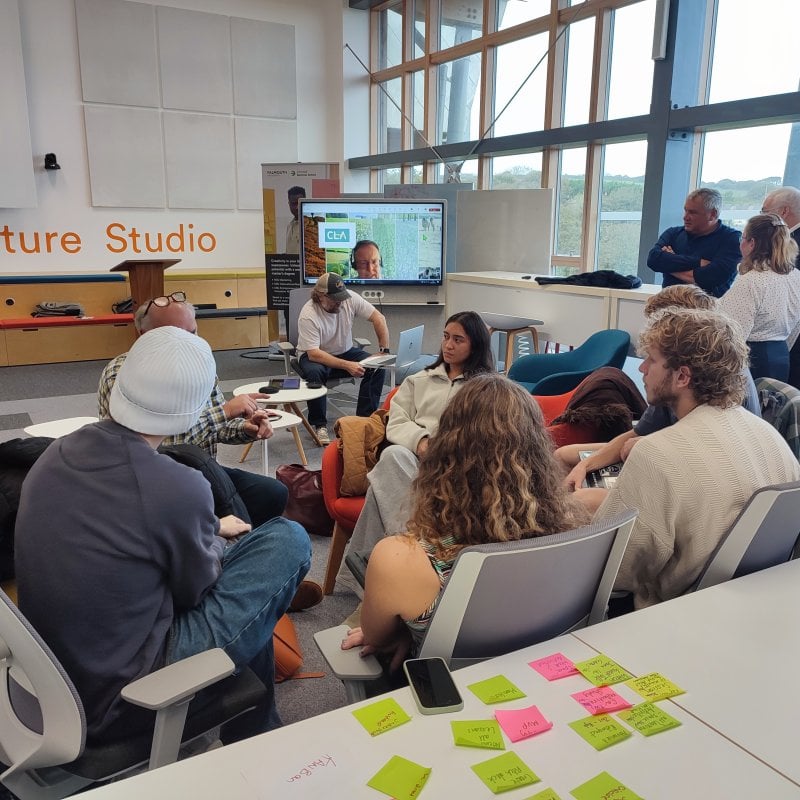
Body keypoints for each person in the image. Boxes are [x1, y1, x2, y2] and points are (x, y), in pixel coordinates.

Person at [16, 327, 311, 740]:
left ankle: (259, 730)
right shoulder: (177, 485)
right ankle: (256, 735)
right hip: (122, 698)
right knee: (287, 539)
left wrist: (206, 533)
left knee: (246, 578)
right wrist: (211, 536)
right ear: (194, 403)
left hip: (52, 672)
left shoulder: (54, 455)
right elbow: (197, 590)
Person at [340, 374, 589, 668]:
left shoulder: (400, 560)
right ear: (538, 452)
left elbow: (376, 637)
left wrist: (415, 629)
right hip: (549, 681)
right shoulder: (578, 533)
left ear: (443, 452)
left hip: (449, 699)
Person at [594, 308, 800, 610]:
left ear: (682, 376)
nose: (642, 369)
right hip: (756, 608)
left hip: (665, 620)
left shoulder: (655, 453)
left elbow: (611, 571)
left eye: (651, 359)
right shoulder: (769, 436)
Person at [557, 285, 762, 509]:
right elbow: (638, 435)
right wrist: (586, 464)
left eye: (652, 359)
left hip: (685, 495)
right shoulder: (679, 390)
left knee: (579, 502)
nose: (642, 368)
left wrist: (646, 446)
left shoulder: (709, 409)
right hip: (674, 477)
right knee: (564, 458)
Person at [98, 293, 289, 530]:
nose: (191, 342)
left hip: (203, 471)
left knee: (273, 493)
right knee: (244, 521)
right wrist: (227, 411)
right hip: (152, 482)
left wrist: (247, 428)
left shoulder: (197, 363)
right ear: (144, 337)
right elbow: (159, 443)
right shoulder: (122, 373)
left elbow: (216, 427)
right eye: (178, 335)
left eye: (193, 332)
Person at [335, 311, 495, 592]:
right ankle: (411, 555)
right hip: (413, 461)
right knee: (393, 456)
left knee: (379, 489)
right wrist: (421, 441)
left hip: (457, 469)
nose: (448, 345)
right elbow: (395, 421)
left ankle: (371, 578)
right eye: (446, 337)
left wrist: (443, 450)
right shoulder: (419, 380)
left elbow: (487, 436)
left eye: (458, 339)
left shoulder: (485, 389)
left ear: (475, 345)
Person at [296, 272, 390, 445]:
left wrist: (384, 351)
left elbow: (379, 318)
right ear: (321, 296)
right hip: (315, 355)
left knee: (377, 367)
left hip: (345, 351)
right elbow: (314, 354)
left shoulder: (349, 299)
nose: (340, 302)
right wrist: (347, 365)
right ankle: (319, 425)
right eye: (334, 299)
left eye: (341, 297)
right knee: (315, 373)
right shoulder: (309, 314)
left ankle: (364, 421)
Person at [718, 213, 800, 381]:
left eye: (743, 238)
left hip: (752, 359)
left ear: (751, 243)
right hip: (782, 355)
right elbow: (795, 328)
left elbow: (733, 334)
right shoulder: (796, 276)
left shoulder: (751, 281)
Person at [647, 188, 741, 298]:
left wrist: (670, 263)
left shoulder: (732, 239)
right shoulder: (673, 233)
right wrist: (699, 262)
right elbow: (653, 259)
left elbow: (711, 278)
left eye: (692, 212)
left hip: (707, 311)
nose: (685, 217)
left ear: (712, 214)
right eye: (685, 210)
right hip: (669, 307)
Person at [761, 186, 800, 385]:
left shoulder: (787, 245)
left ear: (784, 211)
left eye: (764, 212)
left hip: (790, 338)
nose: (761, 218)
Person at [285, 185, 305, 254]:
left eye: (299, 203)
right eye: (294, 203)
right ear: (289, 204)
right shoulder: (289, 226)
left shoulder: (310, 226)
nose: (297, 207)